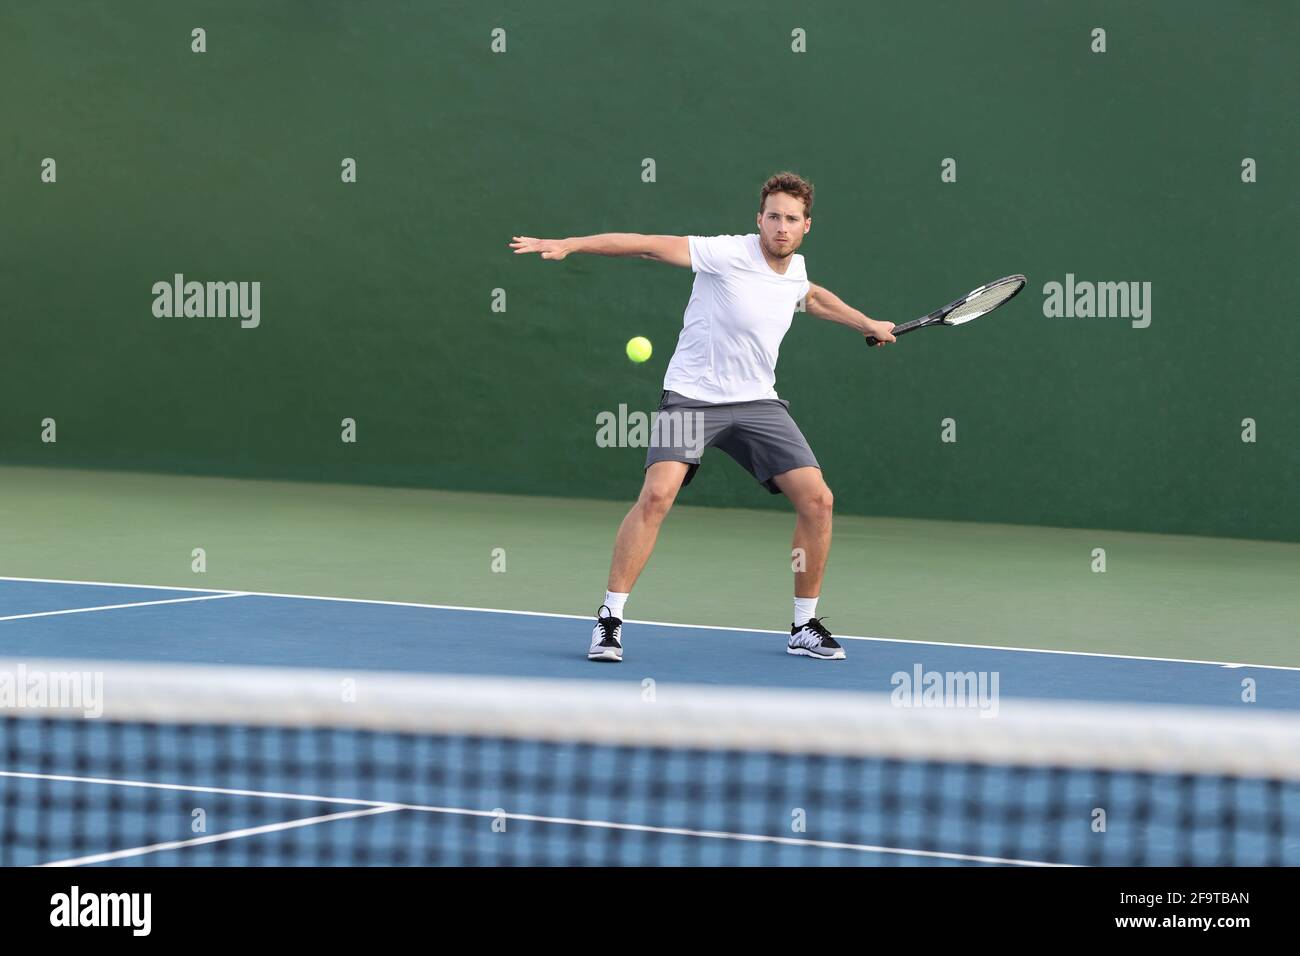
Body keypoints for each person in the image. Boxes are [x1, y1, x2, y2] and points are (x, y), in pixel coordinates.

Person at [510, 171, 896, 663]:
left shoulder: (795, 268)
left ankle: (804, 624)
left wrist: (867, 324)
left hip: (757, 403)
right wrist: (573, 244)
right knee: (657, 495)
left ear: (806, 226)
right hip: (692, 396)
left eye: (791, 219)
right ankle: (610, 619)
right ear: (759, 219)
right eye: (773, 216)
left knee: (818, 500)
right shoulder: (726, 253)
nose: (781, 226)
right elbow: (648, 246)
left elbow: (811, 297)